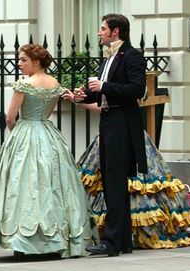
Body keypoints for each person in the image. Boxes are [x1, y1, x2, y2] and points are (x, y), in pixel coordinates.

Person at [0, 44, 99, 258]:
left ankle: (23, 241)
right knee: (53, 185)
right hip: (47, 133)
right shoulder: (54, 83)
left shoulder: (24, 85)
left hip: (25, 131)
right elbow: (49, 113)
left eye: (23, 60)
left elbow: (10, 118)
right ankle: (57, 238)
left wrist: (17, 135)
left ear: (36, 61)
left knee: (24, 185)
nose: (19, 63)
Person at [62, 91, 190, 249]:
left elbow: (126, 102)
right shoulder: (111, 77)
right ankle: (121, 237)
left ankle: (127, 236)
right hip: (109, 134)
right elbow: (103, 106)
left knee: (124, 183)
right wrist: (77, 99)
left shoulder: (130, 82)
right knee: (111, 185)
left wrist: (93, 93)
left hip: (127, 135)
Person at [66, 13, 148, 256]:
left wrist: (104, 87)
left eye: (103, 29)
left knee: (115, 181)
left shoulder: (132, 56)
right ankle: (122, 241)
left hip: (122, 122)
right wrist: (83, 96)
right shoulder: (109, 57)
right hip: (109, 120)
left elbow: (137, 89)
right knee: (113, 181)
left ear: (116, 32)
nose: (99, 32)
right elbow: (102, 93)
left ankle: (111, 242)